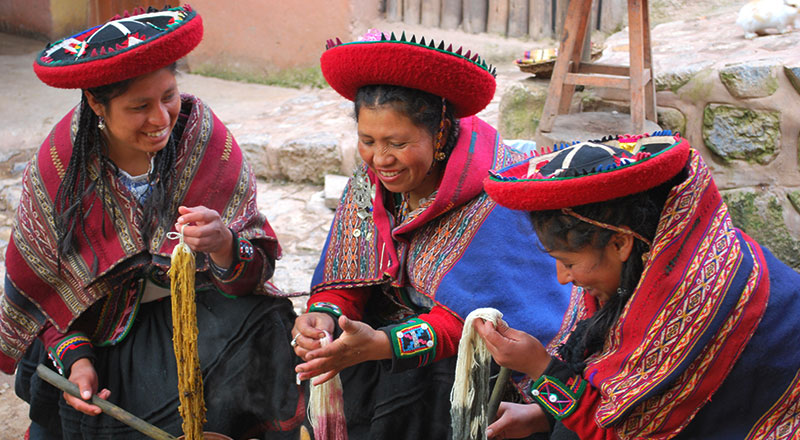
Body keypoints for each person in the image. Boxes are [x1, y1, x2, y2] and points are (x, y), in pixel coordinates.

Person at [2, 6, 302, 439]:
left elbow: (252, 272)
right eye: (139, 106)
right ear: (96, 103)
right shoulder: (60, 171)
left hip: (203, 309)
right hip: (102, 331)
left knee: (269, 327)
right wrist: (76, 360)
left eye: (169, 96)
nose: (161, 118)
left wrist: (222, 244)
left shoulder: (203, 139)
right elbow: (49, 294)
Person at [290, 29, 571, 439]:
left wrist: (384, 344)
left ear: (439, 133)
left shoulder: (495, 195)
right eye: (367, 140)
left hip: (481, 361)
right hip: (385, 334)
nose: (380, 159)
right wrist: (326, 314)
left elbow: (479, 323)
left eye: (398, 143)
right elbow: (348, 274)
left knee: (420, 387)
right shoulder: (371, 181)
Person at [479, 132, 800, 439]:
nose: (563, 278)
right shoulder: (658, 260)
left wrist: (538, 366)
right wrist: (541, 416)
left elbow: (623, 432)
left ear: (620, 243)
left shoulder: (687, 305)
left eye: (570, 262)